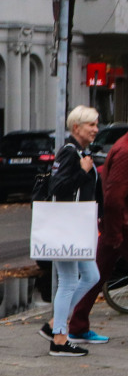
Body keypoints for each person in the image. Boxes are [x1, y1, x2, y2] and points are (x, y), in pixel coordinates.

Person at [39, 106, 102, 357]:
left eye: (96, 125)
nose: (96, 129)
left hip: (76, 227)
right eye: (91, 125)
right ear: (76, 128)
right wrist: (83, 171)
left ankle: (55, 324)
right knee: (67, 281)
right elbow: (58, 187)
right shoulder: (69, 153)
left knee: (91, 275)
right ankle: (60, 339)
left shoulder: (79, 152)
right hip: (67, 227)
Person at [67, 127, 128, 344]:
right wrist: (113, 232)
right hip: (121, 225)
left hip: (116, 224)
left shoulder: (122, 146)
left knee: (95, 275)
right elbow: (113, 197)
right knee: (94, 275)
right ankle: (70, 325)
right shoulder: (125, 151)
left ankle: (75, 325)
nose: (95, 128)